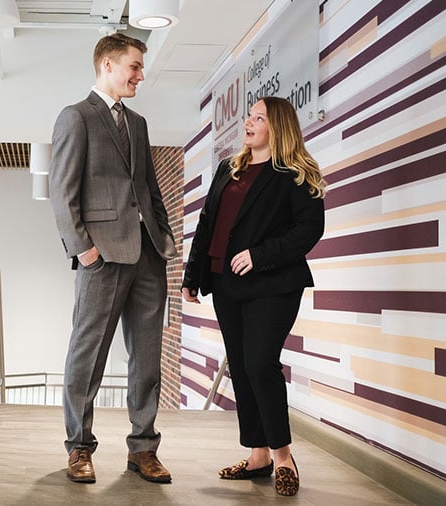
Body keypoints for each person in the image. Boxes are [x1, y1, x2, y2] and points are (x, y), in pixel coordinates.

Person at [48, 32, 177, 485]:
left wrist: (165, 238)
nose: (141, 75)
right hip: (101, 257)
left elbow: (148, 187)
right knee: (88, 354)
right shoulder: (76, 117)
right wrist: (83, 249)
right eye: (135, 66)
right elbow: (62, 192)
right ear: (107, 64)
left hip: (147, 256)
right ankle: (79, 447)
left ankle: (143, 449)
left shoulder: (138, 123)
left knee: (147, 357)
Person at [181, 96, 326, 496]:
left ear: (276, 127)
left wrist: (259, 256)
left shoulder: (296, 172)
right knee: (243, 368)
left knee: (261, 363)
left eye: (258, 118)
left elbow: (309, 229)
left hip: (273, 284)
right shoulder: (230, 168)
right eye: (248, 116)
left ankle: (282, 456)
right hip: (226, 284)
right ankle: (257, 453)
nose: (248, 123)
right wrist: (192, 276)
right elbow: (208, 223)